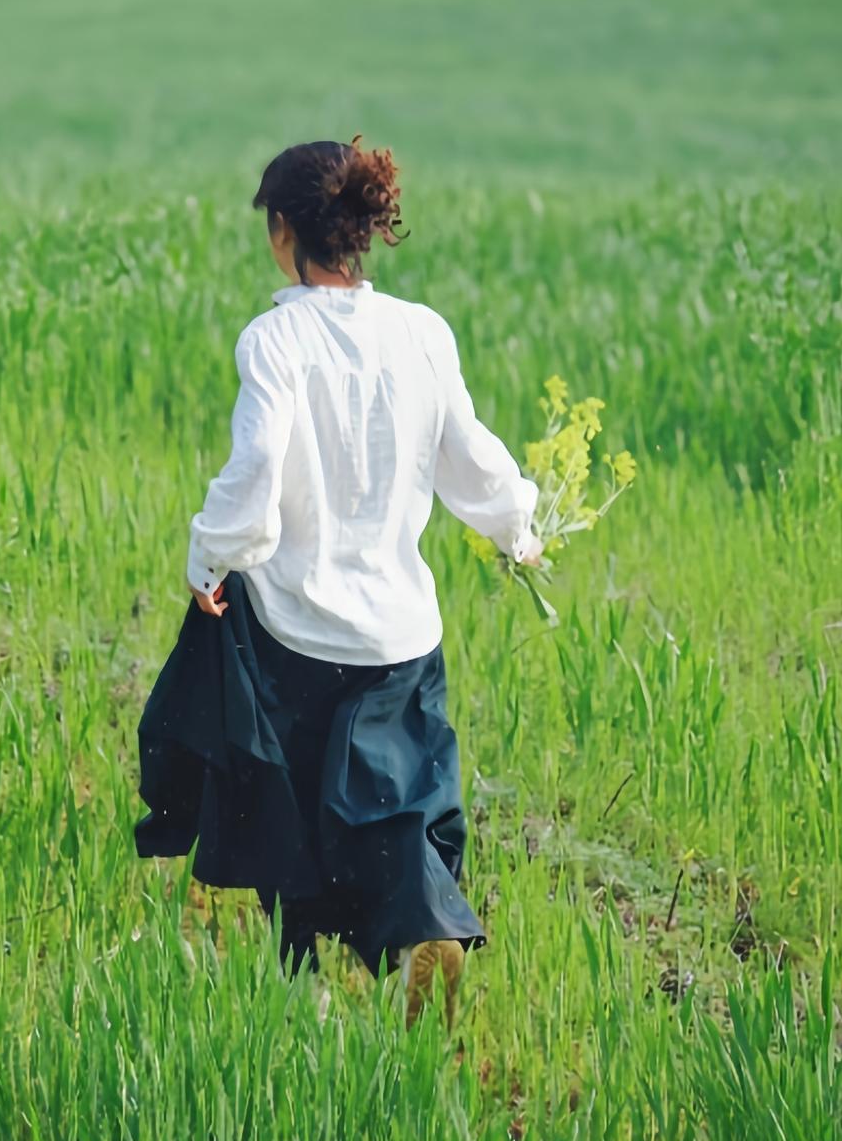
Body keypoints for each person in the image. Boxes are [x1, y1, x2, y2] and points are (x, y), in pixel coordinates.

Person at [133, 137, 543, 1029]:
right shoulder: (423, 332)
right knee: (402, 808)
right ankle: (424, 927)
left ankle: (302, 991)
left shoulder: (274, 340)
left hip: (296, 634)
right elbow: (472, 460)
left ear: (285, 233)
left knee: (299, 824)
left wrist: (210, 558)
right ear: (359, 229)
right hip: (402, 636)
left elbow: (253, 478)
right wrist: (520, 527)